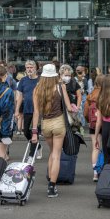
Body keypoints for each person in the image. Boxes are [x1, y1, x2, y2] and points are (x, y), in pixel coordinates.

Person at [31, 64, 73, 197]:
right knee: (56, 154)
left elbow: (36, 112)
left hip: (45, 124)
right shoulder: (61, 87)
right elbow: (69, 108)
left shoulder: (37, 89)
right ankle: (51, 186)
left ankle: (50, 177)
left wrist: (34, 132)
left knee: (51, 152)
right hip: (59, 122)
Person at [15, 60, 42, 161]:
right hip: (27, 109)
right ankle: (38, 146)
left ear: (35, 68)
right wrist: (17, 110)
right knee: (26, 131)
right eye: (27, 68)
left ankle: (31, 155)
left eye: (31, 67)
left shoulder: (40, 80)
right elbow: (20, 96)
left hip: (38, 111)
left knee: (35, 131)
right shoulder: (23, 80)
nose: (29, 69)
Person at [84, 75, 104, 181]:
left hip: (93, 124)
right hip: (105, 124)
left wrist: (89, 121)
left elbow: (86, 113)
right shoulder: (105, 95)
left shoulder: (90, 95)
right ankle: (105, 171)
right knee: (105, 148)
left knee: (95, 148)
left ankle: (95, 173)